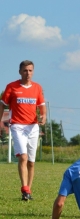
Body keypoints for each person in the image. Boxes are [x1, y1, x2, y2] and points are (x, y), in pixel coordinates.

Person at [0, 60, 46, 201]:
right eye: (25, 70)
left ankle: (28, 191)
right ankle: (24, 187)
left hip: (33, 127)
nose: (28, 73)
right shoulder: (12, 87)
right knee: (23, 157)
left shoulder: (37, 87)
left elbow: (42, 106)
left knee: (31, 162)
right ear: (20, 72)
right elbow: (2, 105)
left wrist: (43, 116)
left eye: (30, 70)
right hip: (18, 126)